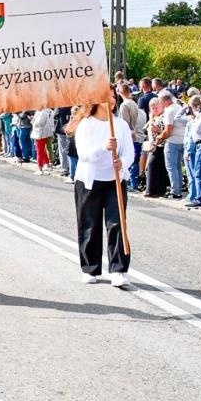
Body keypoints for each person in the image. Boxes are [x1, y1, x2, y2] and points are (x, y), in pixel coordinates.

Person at [69, 93, 136, 288]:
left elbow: (129, 151)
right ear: (96, 101)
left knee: (117, 224)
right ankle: (90, 268)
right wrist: (104, 147)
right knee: (90, 224)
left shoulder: (120, 125)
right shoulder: (86, 125)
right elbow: (84, 154)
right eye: (107, 97)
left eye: (114, 97)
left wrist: (122, 162)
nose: (112, 100)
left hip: (115, 180)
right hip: (89, 181)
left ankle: (118, 270)